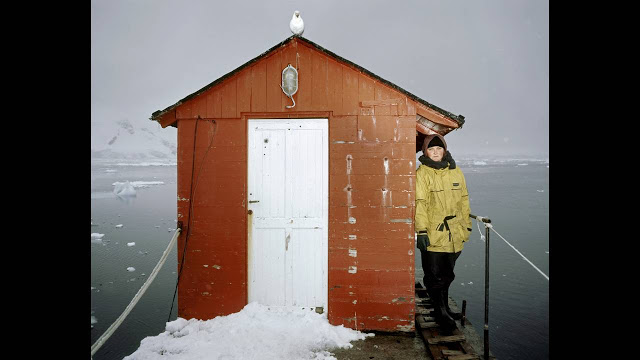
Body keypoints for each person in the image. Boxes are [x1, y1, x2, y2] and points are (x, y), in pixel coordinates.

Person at [415, 133, 472, 334]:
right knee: (434, 276)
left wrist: (466, 227)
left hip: (455, 234)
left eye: (439, 149)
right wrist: (421, 231)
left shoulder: (456, 172)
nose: (436, 152)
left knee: (448, 275)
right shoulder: (422, 174)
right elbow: (419, 204)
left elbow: (464, 201)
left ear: (444, 150)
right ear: (426, 152)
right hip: (433, 234)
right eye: (432, 149)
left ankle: (445, 307)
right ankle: (440, 313)